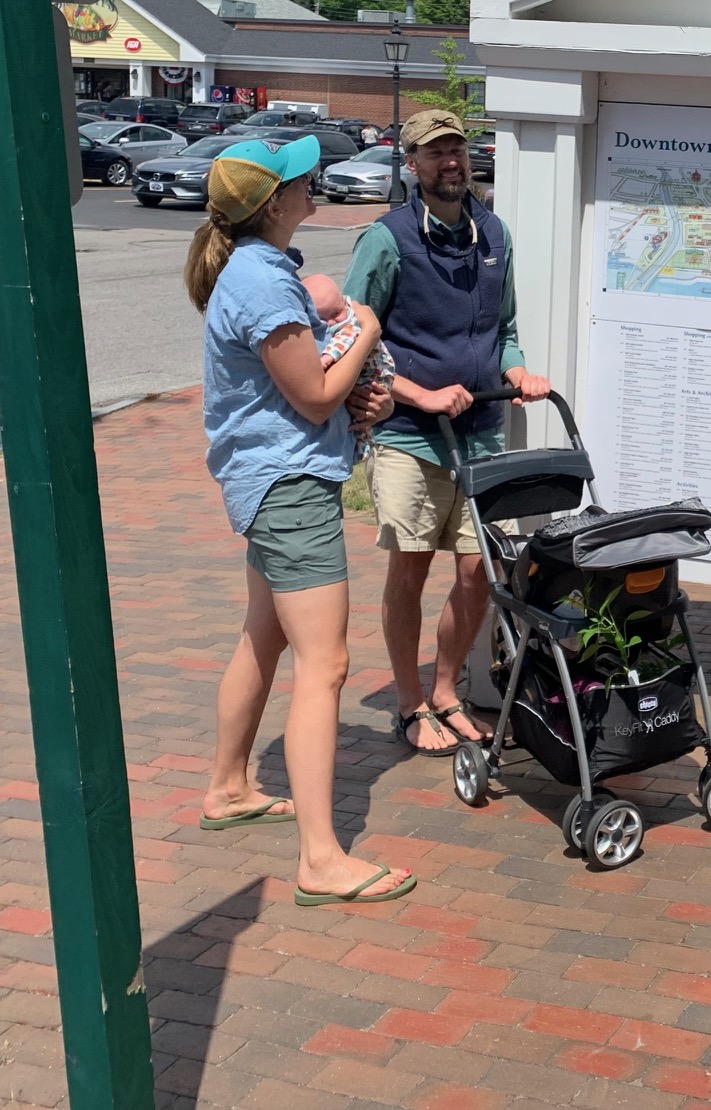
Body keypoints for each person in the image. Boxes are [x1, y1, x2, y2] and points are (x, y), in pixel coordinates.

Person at [188, 136, 414, 907]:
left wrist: (367, 395)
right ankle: (321, 860)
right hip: (287, 489)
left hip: (278, 481)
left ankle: (227, 787)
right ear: (274, 204)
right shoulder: (260, 281)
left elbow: (315, 389)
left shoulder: (261, 271)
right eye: (297, 179)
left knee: (266, 633)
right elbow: (314, 394)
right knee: (327, 667)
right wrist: (370, 334)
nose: (309, 183)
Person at [342, 108, 551, 757]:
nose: (449, 162)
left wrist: (517, 370)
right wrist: (420, 393)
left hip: (482, 432)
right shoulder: (387, 239)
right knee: (410, 570)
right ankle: (408, 703)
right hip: (410, 436)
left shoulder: (493, 234)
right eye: (434, 153)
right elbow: (350, 338)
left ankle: (445, 690)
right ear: (411, 166)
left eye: (456, 149)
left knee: (478, 572)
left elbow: (504, 328)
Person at [302, 273, 396, 463]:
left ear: (344, 303)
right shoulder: (338, 316)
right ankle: (361, 445)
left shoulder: (352, 321)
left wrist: (326, 359)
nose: (331, 322)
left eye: (336, 314)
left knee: (362, 412)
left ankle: (362, 447)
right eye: (322, 318)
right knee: (357, 414)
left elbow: (344, 342)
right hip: (364, 373)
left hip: (375, 372)